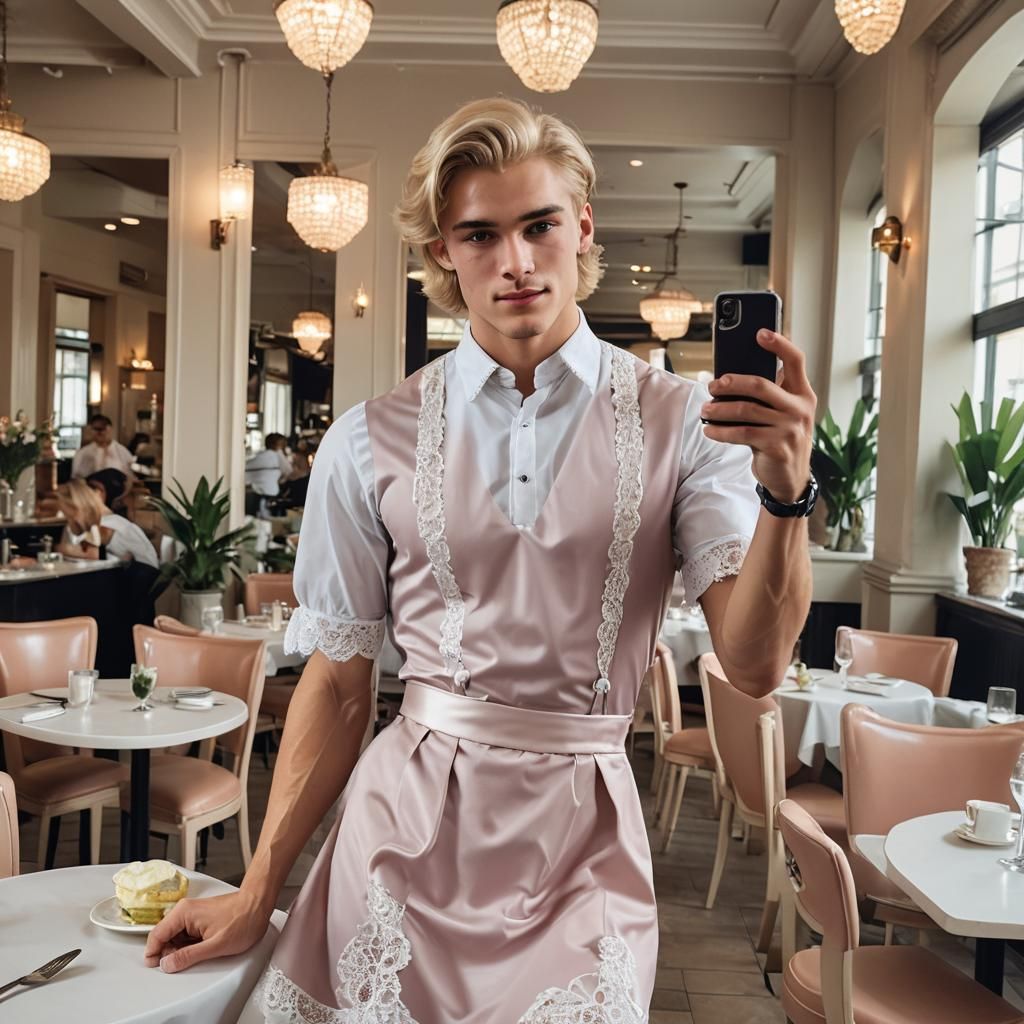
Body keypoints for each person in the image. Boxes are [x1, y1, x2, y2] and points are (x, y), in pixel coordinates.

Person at [144, 98, 815, 1018]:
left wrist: (785, 494)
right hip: (400, 837)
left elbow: (755, 662)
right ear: (444, 257)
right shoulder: (364, 440)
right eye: (479, 235)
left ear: (582, 226)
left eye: (539, 225)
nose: (516, 262)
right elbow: (340, 687)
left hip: (586, 848)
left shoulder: (685, 424)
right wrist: (260, 889)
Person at [56, 478, 158, 569]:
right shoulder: (111, 520)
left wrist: (58, 547)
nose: (69, 521)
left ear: (77, 508)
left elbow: (90, 554)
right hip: (142, 576)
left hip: (142, 579)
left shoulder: (105, 525)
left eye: (68, 515)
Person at [71, 413, 134, 479]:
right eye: (96, 429)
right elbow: (75, 478)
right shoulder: (82, 453)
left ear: (110, 429)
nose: (100, 432)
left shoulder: (122, 452)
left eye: (103, 428)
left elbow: (131, 477)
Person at [244, 432, 292, 517]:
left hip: (264, 496)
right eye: (282, 445)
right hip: (265, 497)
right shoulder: (275, 456)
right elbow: (288, 470)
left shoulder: (265, 456)